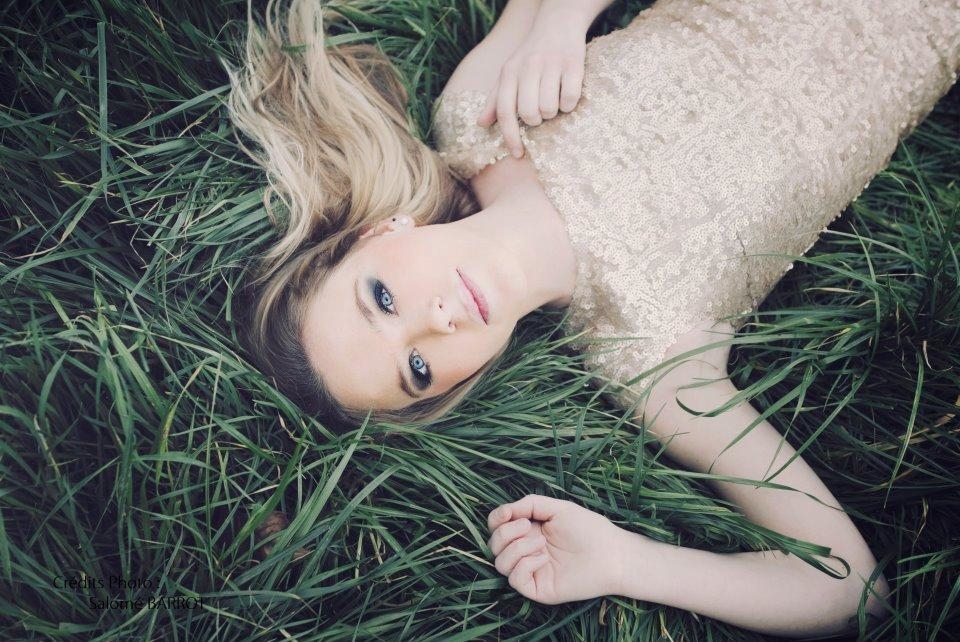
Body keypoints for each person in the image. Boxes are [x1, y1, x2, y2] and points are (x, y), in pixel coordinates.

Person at [224, 0, 960, 637]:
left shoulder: (476, 117)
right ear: (453, 386)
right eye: (416, 369)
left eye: (382, 298)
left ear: (377, 233)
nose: (437, 321)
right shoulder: (653, 362)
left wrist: (561, 21)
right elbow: (849, 587)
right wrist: (624, 561)